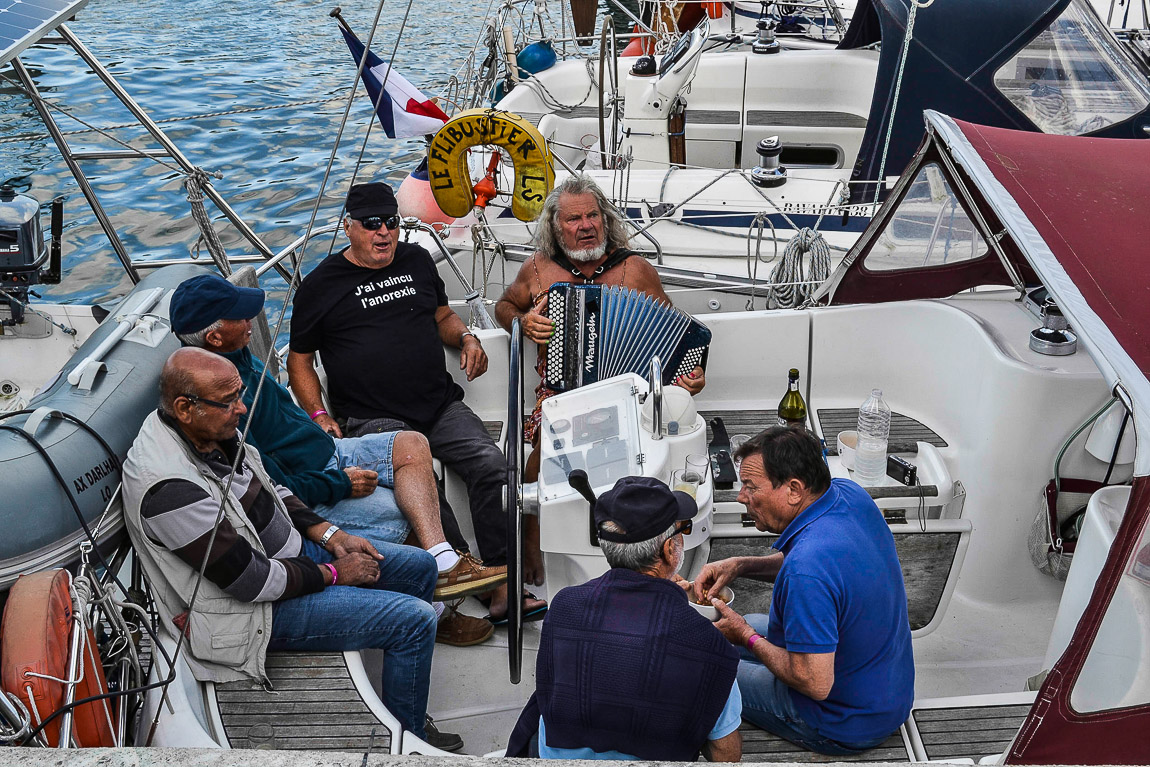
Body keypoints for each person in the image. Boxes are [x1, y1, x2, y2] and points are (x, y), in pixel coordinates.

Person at [122, 347, 448, 744]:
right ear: (184, 407)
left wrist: (332, 535)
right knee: (414, 620)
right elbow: (250, 582)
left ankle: (397, 680)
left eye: (240, 395)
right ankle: (408, 738)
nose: (241, 409)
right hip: (250, 615)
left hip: (287, 559)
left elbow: (273, 488)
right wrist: (334, 573)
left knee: (420, 566)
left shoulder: (211, 428)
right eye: (229, 402)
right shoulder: (169, 487)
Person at [169, 274, 503, 648]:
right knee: (397, 510)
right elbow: (272, 485)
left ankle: (442, 561)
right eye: (240, 317)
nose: (252, 322)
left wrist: (317, 417)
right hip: (315, 483)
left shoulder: (235, 354)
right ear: (214, 338)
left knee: (412, 443)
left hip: (330, 448)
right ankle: (437, 614)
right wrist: (341, 483)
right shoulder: (222, 404)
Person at [288, 181, 541, 624]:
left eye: (391, 223)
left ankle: (502, 574)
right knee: (429, 491)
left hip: (438, 403)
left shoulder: (416, 259)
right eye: (372, 224)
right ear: (349, 227)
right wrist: (320, 415)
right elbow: (300, 361)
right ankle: (473, 579)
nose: (384, 232)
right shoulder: (320, 285)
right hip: (373, 417)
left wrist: (465, 336)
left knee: (493, 467)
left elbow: (441, 314)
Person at [693, 427, 915, 755]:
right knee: (742, 625)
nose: (742, 497)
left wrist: (746, 636)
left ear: (794, 490)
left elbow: (815, 683)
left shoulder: (806, 570)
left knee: (701, 666)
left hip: (843, 720)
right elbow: (824, 573)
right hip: (887, 690)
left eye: (751, 487)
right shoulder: (848, 495)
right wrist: (740, 565)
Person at [506, 476, 741, 762]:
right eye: (683, 530)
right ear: (669, 550)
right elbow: (726, 756)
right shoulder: (709, 646)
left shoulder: (564, 607)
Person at [494, 175, 706, 464]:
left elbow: (675, 339)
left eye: (593, 215)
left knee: (649, 457)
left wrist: (689, 377)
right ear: (556, 229)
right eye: (573, 219)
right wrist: (523, 322)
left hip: (630, 394)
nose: (586, 226)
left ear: (604, 220)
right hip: (561, 391)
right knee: (544, 459)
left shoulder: (636, 269)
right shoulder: (538, 267)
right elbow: (504, 306)